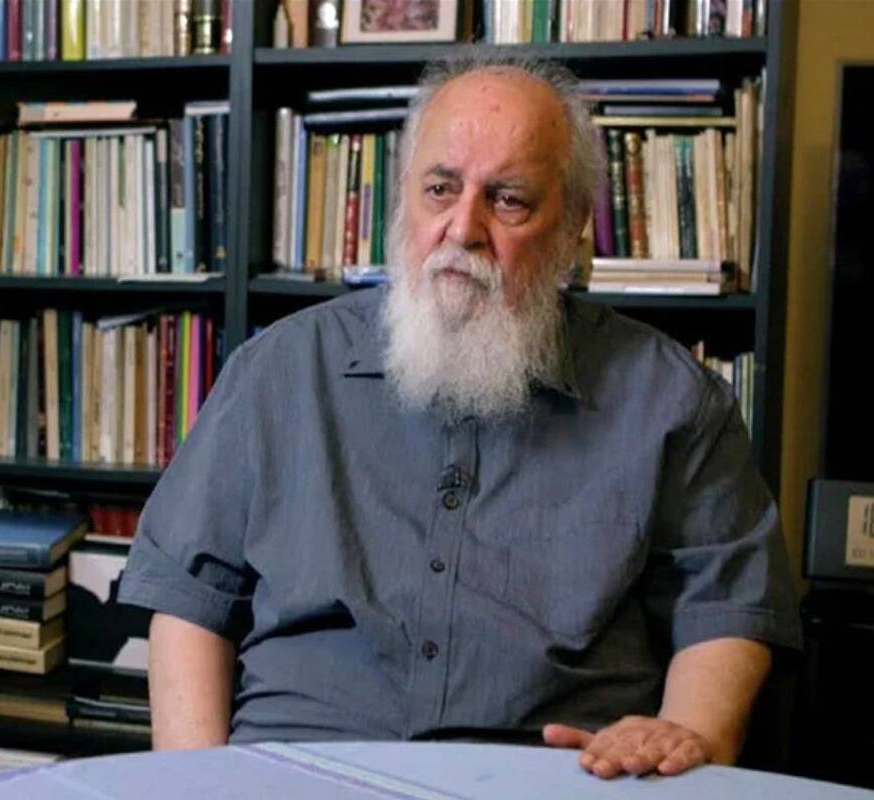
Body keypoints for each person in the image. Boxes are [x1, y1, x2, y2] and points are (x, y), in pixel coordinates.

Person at [117, 54, 801, 780]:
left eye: (508, 200)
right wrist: (192, 785)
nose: (463, 228)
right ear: (404, 199)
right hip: (292, 773)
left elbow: (727, 611)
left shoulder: (672, 399)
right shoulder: (278, 371)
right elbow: (191, 602)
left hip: (552, 780)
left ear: (572, 226)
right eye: (440, 188)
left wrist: (684, 736)